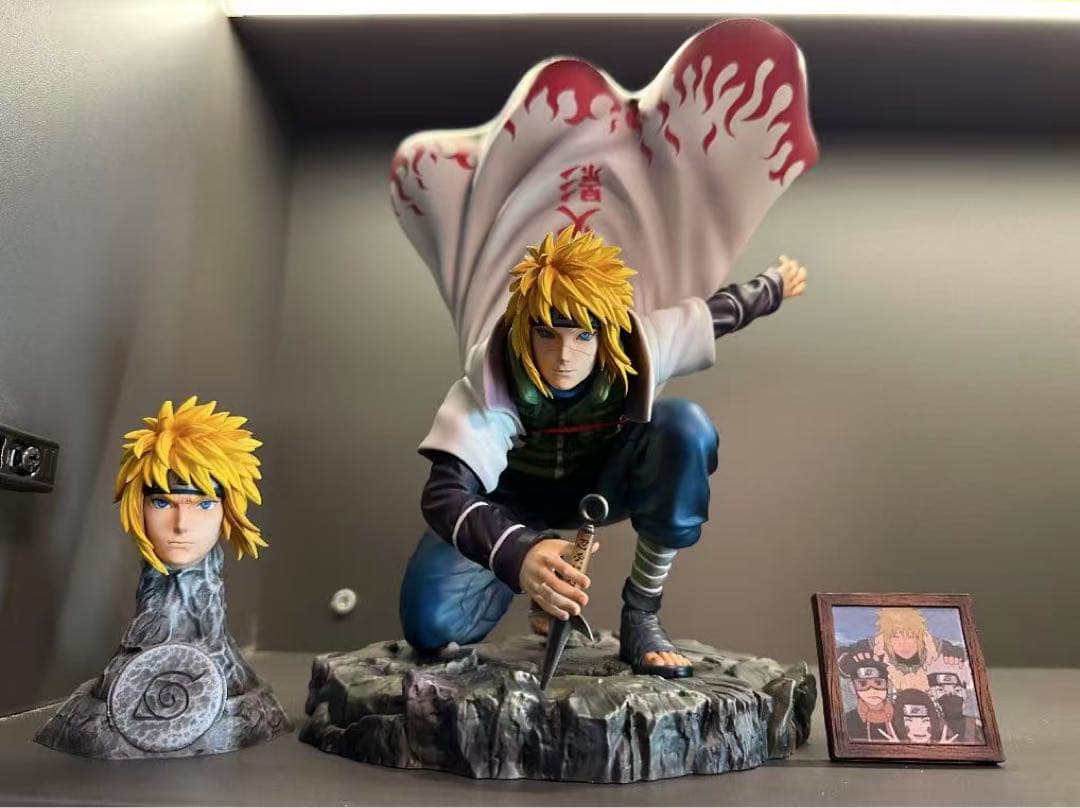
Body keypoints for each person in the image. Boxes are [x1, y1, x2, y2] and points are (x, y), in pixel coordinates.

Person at [400, 225, 807, 678]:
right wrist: (519, 551)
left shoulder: (640, 346)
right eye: (548, 334)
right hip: (511, 502)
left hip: (602, 487)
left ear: (607, 331)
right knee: (431, 625)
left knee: (684, 426)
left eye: (583, 336)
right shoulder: (493, 374)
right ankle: (544, 572)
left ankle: (642, 612)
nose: (564, 356)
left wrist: (772, 285)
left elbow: (713, 316)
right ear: (525, 329)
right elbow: (445, 494)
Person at [839, 658, 893, 743]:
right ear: (853, 687)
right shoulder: (848, 720)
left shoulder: (899, 717)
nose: (872, 690)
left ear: (888, 684)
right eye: (863, 684)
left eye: (878, 683)